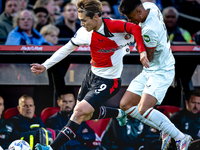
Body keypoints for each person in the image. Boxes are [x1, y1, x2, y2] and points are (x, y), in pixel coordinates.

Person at [31, 0, 149, 149]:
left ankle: (51, 148)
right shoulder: (84, 33)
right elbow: (66, 49)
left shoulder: (113, 26)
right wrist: (45, 65)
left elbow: (136, 29)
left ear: (95, 17)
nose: (81, 24)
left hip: (109, 81)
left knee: (79, 112)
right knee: (80, 114)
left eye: (83, 20)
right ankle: (119, 113)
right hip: (91, 76)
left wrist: (142, 51)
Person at [118, 0, 192, 150]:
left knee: (143, 109)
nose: (129, 21)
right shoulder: (151, 7)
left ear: (139, 11)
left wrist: (137, 48)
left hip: (161, 71)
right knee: (125, 104)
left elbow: (148, 58)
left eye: (130, 17)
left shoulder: (149, 31)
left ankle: (181, 138)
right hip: (151, 70)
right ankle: (165, 129)